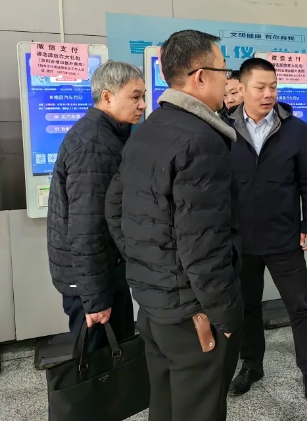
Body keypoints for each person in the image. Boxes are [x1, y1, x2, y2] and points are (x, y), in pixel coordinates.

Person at [105, 30, 243, 421]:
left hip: (153, 305)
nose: (228, 81)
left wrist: (151, 268)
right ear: (200, 77)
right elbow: (204, 245)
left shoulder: (148, 129)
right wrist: (226, 316)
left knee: (164, 405)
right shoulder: (202, 141)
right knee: (198, 409)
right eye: (223, 71)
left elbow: (114, 208)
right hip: (191, 314)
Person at [225, 58, 307, 404]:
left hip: (284, 238)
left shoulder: (294, 129)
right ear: (242, 88)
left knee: (300, 306)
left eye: (273, 87)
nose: (268, 94)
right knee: (247, 307)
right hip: (240, 240)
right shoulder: (223, 128)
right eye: (260, 87)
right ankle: (251, 365)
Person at [47, 61, 145, 353]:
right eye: (135, 97)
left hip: (103, 275)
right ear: (107, 97)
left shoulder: (107, 135)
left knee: (114, 361)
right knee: (99, 367)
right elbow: (86, 228)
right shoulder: (94, 145)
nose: (142, 105)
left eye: (142, 97)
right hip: (94, 283)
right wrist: (95, 299)